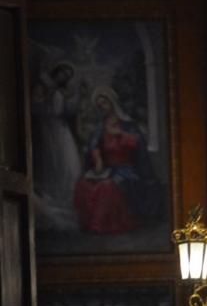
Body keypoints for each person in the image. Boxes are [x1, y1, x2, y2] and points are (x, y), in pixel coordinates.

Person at [73, 85, 159, 234]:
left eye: (104, 103)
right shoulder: (101, 126)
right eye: (99, 106)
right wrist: (97, 158)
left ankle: (101, 226)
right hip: (107, 169)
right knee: (83, 185)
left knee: (107, 186)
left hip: (126, 169)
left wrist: (119, 134)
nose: (103, 108)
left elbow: (137, 144)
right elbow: (94, 144)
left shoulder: (127, 124)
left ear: (112, 102)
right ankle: (89, 226)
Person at [32, 62, 82, 230]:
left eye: (67, 76)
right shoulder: (45, 85)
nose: (64, 77)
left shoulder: (60, 91)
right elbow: (37, 107)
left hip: (60, 129)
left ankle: (67, 198)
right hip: (48, 129)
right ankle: (54, 197)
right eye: (63, 73)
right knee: (52, 161)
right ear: (57, 71)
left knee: (68, 162)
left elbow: (62, 111)